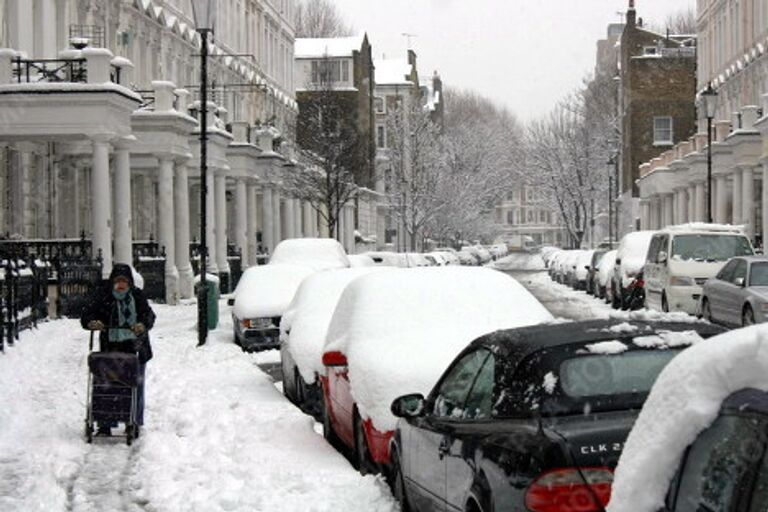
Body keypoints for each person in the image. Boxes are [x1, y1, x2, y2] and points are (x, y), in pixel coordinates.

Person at [81, 263, 156, 436]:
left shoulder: (137, 296)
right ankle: (106, 423)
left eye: (124, 282)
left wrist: (142, 325)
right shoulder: (104, 296)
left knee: (134, 384)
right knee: (107, 385)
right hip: (111, 347)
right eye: (117, 281)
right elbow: (87, 314)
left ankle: (133, 420)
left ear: (129, 282)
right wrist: (92, 322)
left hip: (135, 347)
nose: (121, 285)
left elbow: (149, 316)